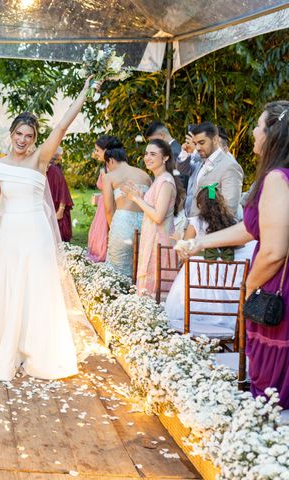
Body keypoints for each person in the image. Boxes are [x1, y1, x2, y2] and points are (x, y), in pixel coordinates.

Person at [0, 78, 100, 382]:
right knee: (11, 285)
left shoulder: (40, 159)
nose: (23, 140)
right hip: (10, 235)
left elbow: (63, 125)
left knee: (39, 287)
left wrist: (85, 90)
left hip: (37, 233)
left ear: (35, 138)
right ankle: (10, 344)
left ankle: (38, 349)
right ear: (10, 134)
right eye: (19, 134)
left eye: (29, 135)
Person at [180, 101, 289, 409]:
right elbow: (251, 228)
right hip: (267, 274)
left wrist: (249, 287)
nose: (253, 131)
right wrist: (201, 242)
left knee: (274, 387)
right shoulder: (274, 176)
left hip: (276, 284)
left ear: (273, 134)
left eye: (258, 125)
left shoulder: (275, 178)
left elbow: (272, 251)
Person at [166, 186, 255, 335]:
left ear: (200, 204)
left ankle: (192, 325)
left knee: (188, 289)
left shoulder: (196, 222)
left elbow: (188, 245)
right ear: (220, 202)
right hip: (225, 274)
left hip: (199, 271)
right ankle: (223, 321)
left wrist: (179, 240)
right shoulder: (232, 221)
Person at [123, 139, 180, 297]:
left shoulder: (166, 181)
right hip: (152, 238)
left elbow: (158, 216)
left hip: (159, 241)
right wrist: (140, 195)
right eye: (146, 153)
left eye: (153, 154)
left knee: (156, 292)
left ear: (166, 158)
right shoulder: (158, 179)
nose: (147, 157)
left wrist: (137, 199)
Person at [102, 145, 152, 277]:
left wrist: (112, 227)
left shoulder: (109, 177)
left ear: (111, 161)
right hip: (144, 222)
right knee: (141, 267)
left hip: (122, 222)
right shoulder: (145, 175)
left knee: (117, 269)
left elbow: (108, 208)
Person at [181, 122, 243, 218]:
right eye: (195, 144)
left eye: (202, 143)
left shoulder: (230, 166)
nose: (197, 148)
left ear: (215, 140)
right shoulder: (202, 161)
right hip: (192, 225)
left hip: (212, 229)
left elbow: (229, 210)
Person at [87, 135, 120, 262]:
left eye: (97, 150)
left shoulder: (110, 168)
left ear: (106, 151)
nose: (95, 153)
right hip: (102, 204)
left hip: (108, 203)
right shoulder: (106, 166)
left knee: (105, 232)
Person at [46, 146, 74, 242]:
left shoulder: (54, 170)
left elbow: (63, 190)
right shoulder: (41, 169)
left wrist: (61, 210)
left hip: (56, 206)